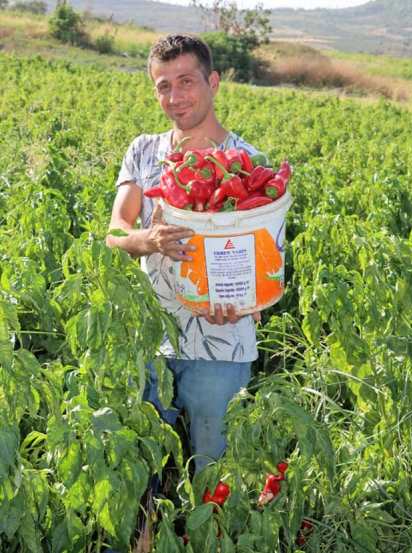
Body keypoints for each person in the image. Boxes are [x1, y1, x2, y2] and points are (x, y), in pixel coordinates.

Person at [106, 34, 261, 477]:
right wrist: (148, 240)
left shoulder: (248, 162)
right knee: (141, 470)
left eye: (187, 81)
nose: (175, 97)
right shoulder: (143, 151)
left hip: (221, 348)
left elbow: (267, 267)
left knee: (213, 472)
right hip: (153, 338)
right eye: (163, 85)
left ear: (213, 82)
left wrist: (247, 305)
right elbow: (115, 233)